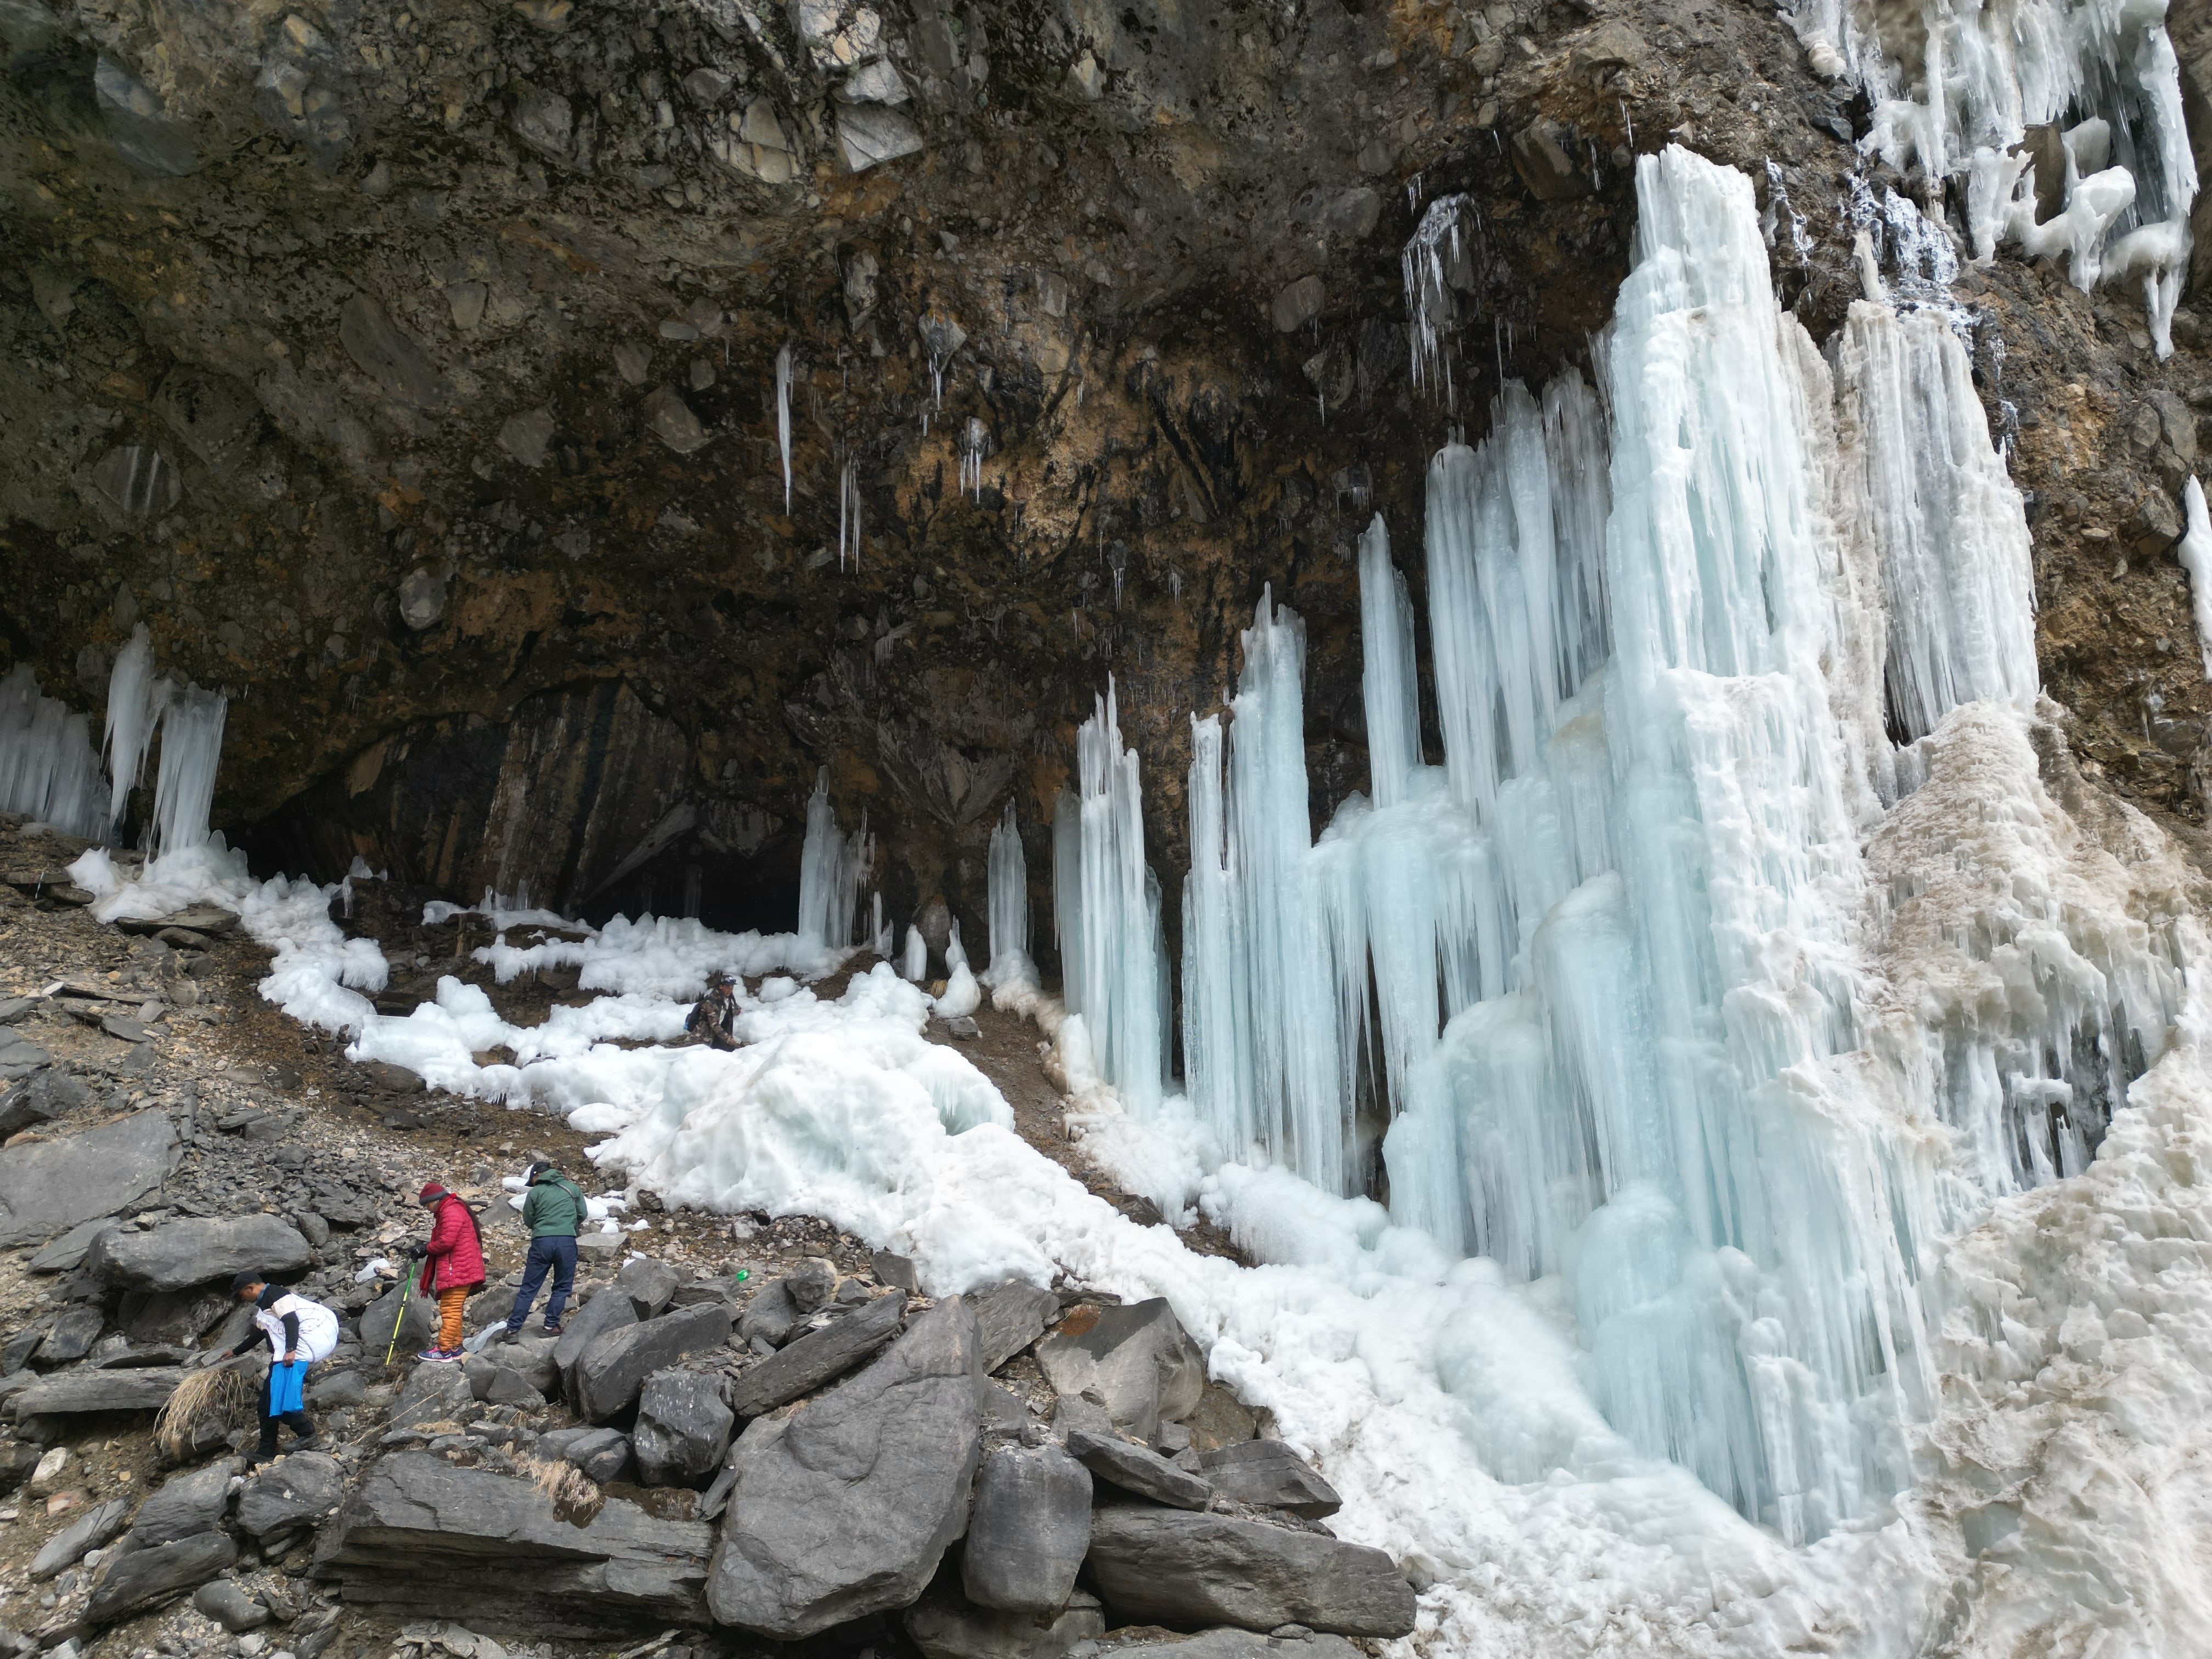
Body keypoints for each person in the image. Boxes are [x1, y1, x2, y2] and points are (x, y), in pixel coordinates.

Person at [221, 1272, 338, 1468]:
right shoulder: (265, 1305)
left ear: (251, 1288)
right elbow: (259, 1333)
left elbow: (291, 1320)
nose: (242, 1298)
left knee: (282, 1402)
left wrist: (291, 1350)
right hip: (283, 1358)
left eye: (242, 1293)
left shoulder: (275, 1294)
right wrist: (235, 1351)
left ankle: (307, 1435)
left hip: (290, 1357)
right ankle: (266, 1451)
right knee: (267, 1406)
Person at [503, 1158, 586, 1340]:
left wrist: (543, 1227)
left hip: (542, 1242)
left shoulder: (536, 1192)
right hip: (566, 1242)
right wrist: (567, 1225)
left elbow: (528, 1219)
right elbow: (582, 1214)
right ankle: (550, 1326)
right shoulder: (572, 1189)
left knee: (529, 1287)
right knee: (562, 1286)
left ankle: (512, 1331)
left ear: (537, 1176)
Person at [410, 1180, 486, 1362]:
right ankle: (455, 1347)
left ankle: (443, 1350)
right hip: (462, 1267)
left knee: (450, 1310)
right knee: (454, 1309)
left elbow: (447, 1242)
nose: (427, 1209)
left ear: (435, 1200)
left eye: (427, 1204)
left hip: (458, 1268)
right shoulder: (452, 1208)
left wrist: (426, 1249)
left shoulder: (450, 1210)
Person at [684, 974, 742, 1050]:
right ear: (721, 987)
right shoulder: (711, 1002)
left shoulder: (726, 999)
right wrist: (727, 1038)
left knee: (729, 1050)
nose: (730, 990)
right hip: (703, 1038)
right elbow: (714, 1024)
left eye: (732, 988)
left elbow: (723, 1012)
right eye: (728, 987)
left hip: (716, 1035)